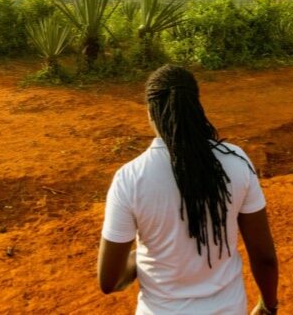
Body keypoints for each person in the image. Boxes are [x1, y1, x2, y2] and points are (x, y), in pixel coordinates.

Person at [98, 64, 279, 314]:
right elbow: (264, 257)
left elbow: (109, 280)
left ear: (150, 112)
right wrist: (268, 306)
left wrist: (146, 256)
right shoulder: (236, 161)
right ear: (197, 107)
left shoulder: (129, 179)